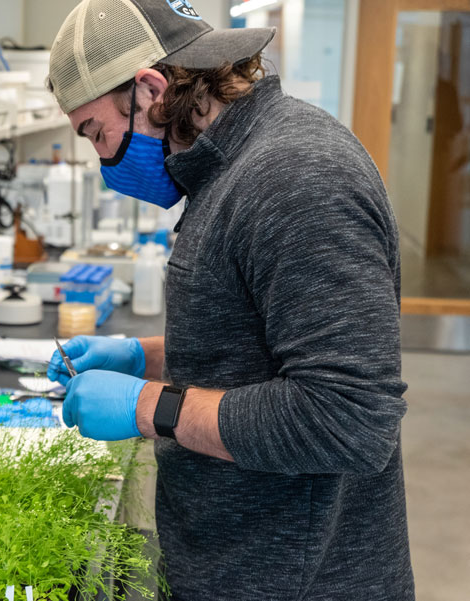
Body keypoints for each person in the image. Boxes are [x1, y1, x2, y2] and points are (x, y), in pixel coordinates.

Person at [45, 1, 414, 600]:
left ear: (151, 88)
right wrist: (145, 357)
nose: (102, 159)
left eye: (97, 133)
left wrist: (150, 407)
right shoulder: (231, 167)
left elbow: (348, 418)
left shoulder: (295, 177)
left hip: (298, 581)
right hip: (235, 565)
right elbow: (258, 343)